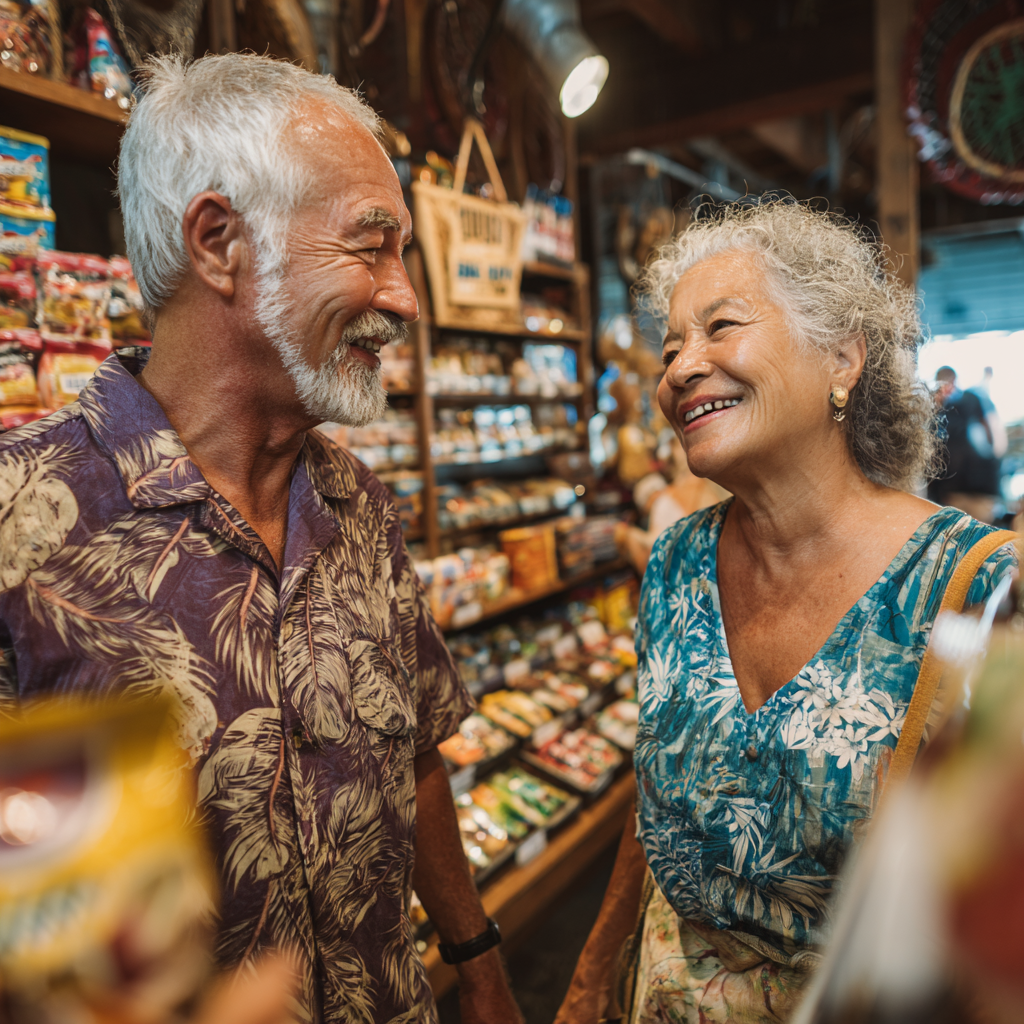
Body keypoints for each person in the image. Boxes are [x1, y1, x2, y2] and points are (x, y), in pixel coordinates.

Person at [0, 53, 520, 1024]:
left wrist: (478, 962)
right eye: (372, 247)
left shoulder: (358, 504)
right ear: (218, 241)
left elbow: (413, 755)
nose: (405, 298)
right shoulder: (24, 529)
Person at [555, 200, 1016, 1024]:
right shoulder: (675, 564)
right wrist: (593, 973)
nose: (680, 369)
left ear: (841, 358)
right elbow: (657, 789)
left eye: (720, 327)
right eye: (670, 348)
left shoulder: (980, 590)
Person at [928, 366, 1007, 523]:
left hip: (980, 489)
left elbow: (995, 433)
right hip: (952, 492)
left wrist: (995, 463)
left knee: (985, 535)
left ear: (954, 382)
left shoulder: (972, 400)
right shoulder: (938, 414)